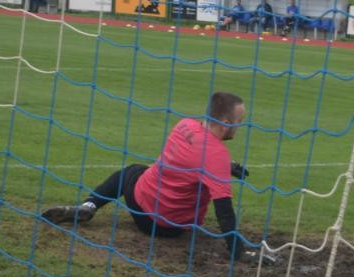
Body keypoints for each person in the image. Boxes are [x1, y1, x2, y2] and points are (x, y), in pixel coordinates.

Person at [41, 92, 277, 264]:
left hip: (145, 207)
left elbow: (192, 157)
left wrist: (226, 166)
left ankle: (89, 206)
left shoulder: (184, 125)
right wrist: (238, 251)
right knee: (135, 170)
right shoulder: (216, 155)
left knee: (132, 171)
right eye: (239, 122)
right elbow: (224, 210)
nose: (240, 126)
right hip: (169, 227)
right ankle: (88, 207)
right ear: (225, 124)